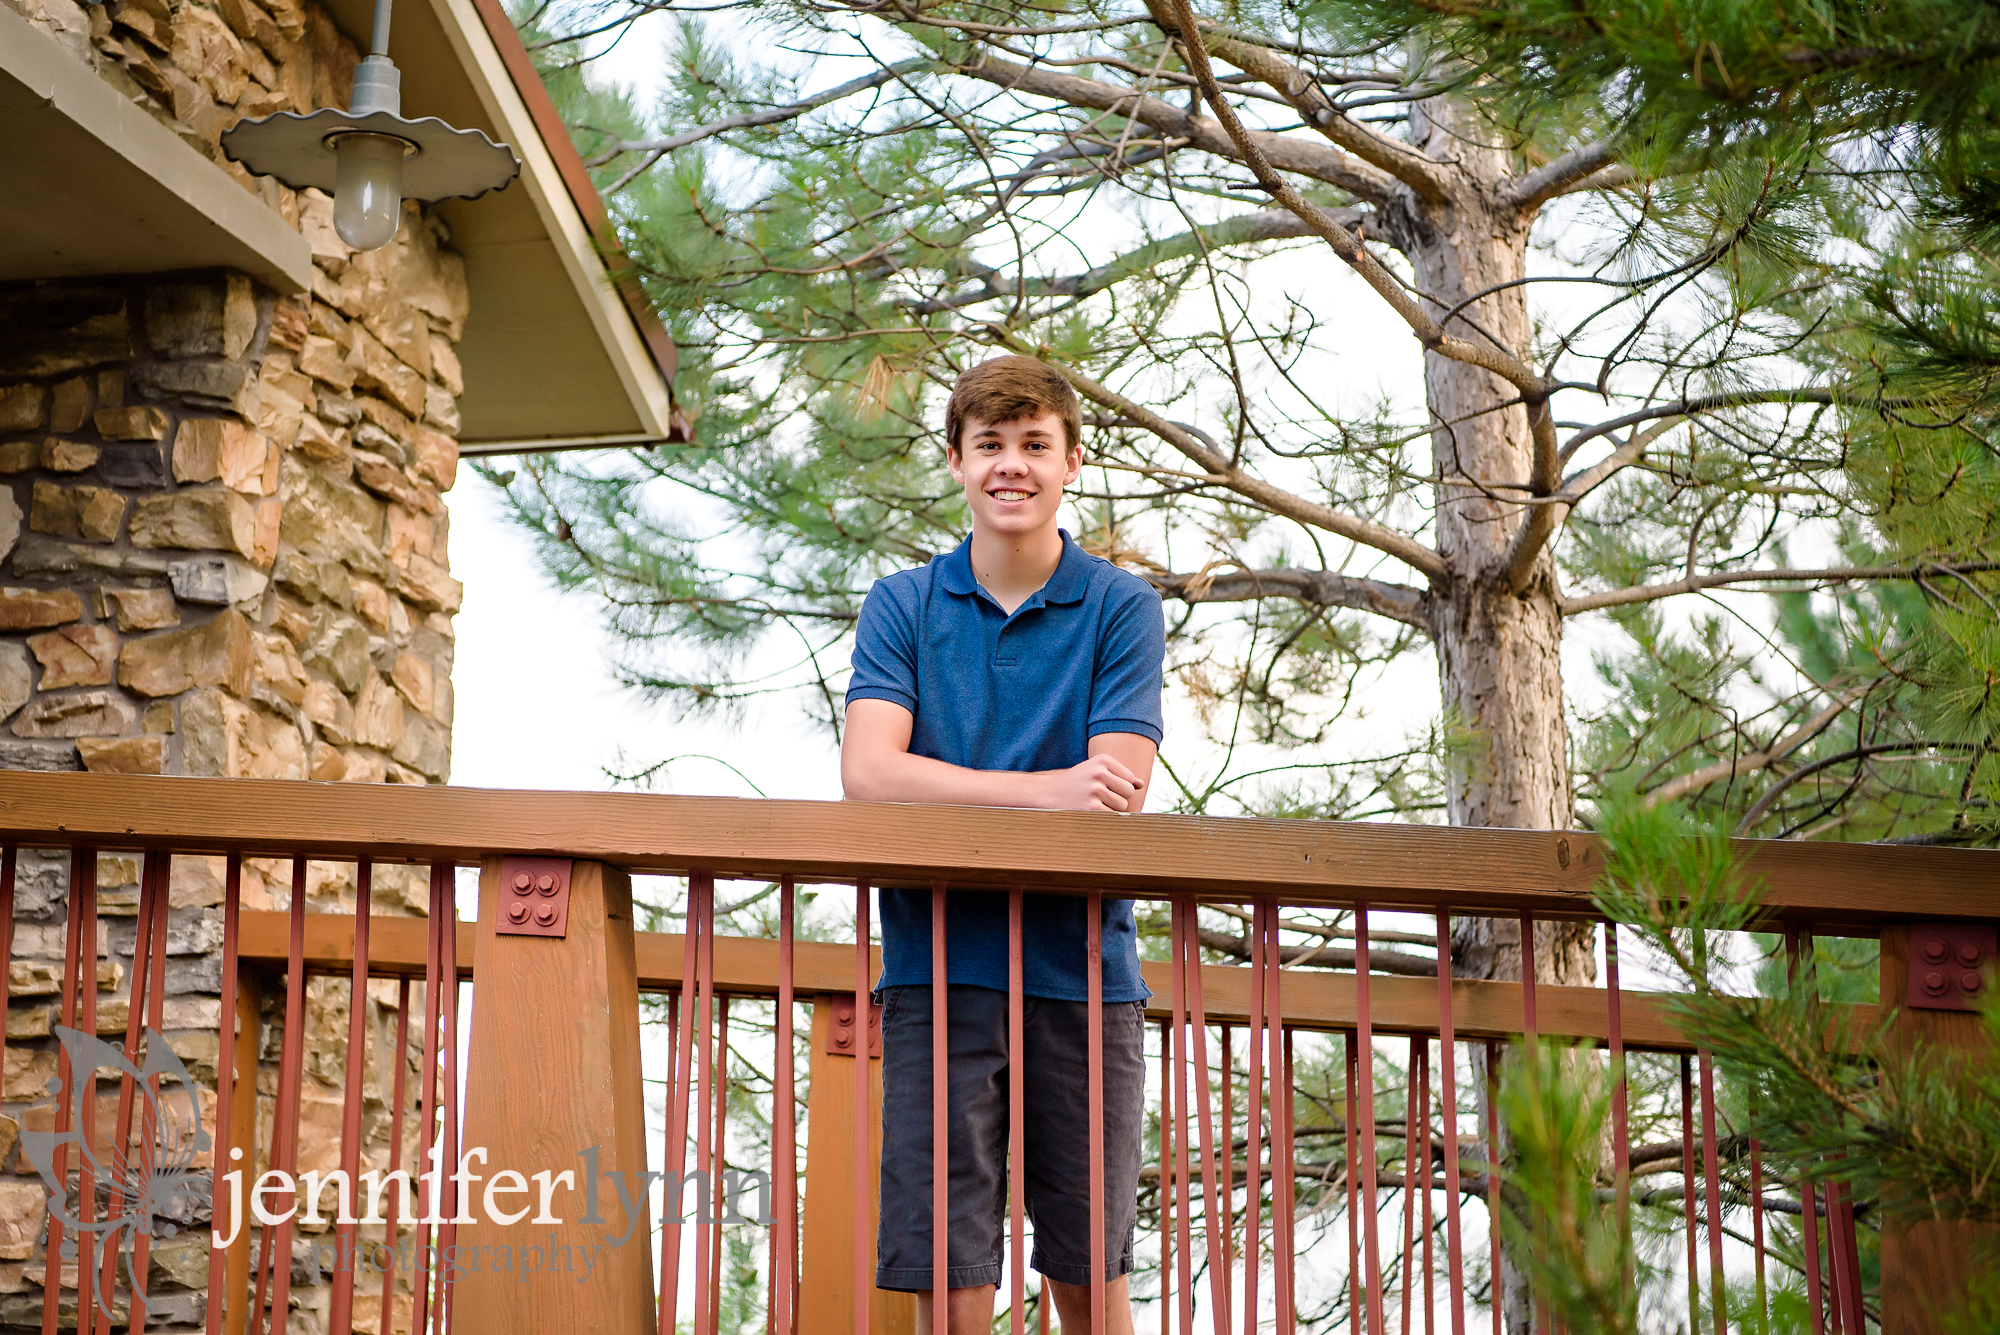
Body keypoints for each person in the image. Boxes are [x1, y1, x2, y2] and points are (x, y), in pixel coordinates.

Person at [842, 354, 1166, 1335]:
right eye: (990, 445)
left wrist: (966, 798)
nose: (1011, 466)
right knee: (947, 1258)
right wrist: (1048, 792)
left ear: (1072, 461)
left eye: (1034, 445)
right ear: (955, 462)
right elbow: (868, 776)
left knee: (1087, 1256)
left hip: (1084, 968)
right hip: (938, 965)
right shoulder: (901, 606)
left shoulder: (1120, 608)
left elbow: (1113, 795)